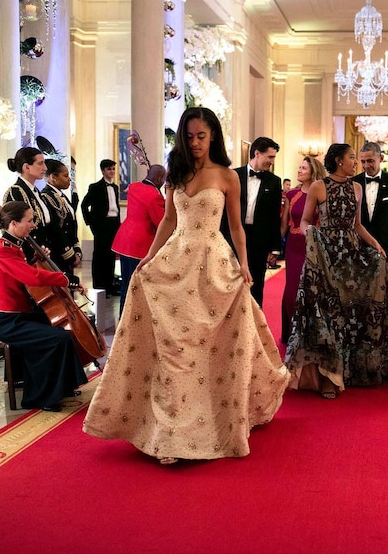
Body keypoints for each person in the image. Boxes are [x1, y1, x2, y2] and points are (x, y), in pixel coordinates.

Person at [83, 107, 288, 465]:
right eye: (189, 136)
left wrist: (243, 262)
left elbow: (236, 226)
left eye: (201, 137)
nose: (194, 143)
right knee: (175, 349)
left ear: (213, 137)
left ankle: (213, 418)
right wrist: (149, 257)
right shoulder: (176, 175)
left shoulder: (227, 176)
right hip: (176, 261)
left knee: (208, 344)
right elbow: (167, 221)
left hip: (213, 265)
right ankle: (172, 432)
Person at [285, 143, 388, 399]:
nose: (355, 163)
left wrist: (376, 245)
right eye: (351, 157)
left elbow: (357, 225)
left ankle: (350, 370)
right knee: (328, 312)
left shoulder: (356, 187)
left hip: (351, 255)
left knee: (350, 313)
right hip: (325, 256)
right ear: (338, 160)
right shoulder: (319, 186)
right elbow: (305, 220)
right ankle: (327, 376)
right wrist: (310, 234)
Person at [0, 201, 87, 412]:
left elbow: (22, 275)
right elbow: (31, 276)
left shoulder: (14, 246)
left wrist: (35, 258)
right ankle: (42, 397)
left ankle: (62, 387)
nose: (33, 225)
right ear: (14, 223)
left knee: (61, 333)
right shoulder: (2, 251)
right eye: (29, 220)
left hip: (21, 316)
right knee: (55, 339)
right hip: (6, 321)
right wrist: (67, 279)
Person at [220, 137, 283, 307]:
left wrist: (275, 247)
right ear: (257, 153)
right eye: (270, 157)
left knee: (255, 287)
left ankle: (254, 328)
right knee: (229, 284)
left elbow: (274, 216)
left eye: (274, 157)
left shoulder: (274, 181)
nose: (272, 161)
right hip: (231, 237)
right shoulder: (233, 175)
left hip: (258, 241)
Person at [279, 155, 326, 343]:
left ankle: (309, 334)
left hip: (314, 247)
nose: (299, 170)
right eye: (299, 167)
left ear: (313, 171)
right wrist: (275, 248)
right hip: (293, 245)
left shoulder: (322, 193)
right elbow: (284, 223)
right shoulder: (292, 194)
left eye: (303, 168)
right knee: (291, 290)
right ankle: (292, 332)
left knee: (310, 289)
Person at [111, 163, 166, 314]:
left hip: (125, 239)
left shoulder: (134, 187)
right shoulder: (155, 195)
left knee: (126, 283)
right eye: (164, 180)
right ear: (160, 178)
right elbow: (161, 222)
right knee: (138, 284)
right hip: (140, 244)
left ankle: (123, 315)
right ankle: (134, 318)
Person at [352, 141, 388, 266]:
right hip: (358, 246)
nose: (366, 165)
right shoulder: (353, 183)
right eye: (363, 161)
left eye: (370, 161)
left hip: (386, 247)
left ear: (380, 158)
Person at [81, 159, 121, 296]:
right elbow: (84, 205)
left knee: (111, 256)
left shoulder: (115, 187)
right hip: (101, 226)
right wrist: (91, 223)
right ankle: (99, 286)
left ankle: (110, 285)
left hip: (113, 225)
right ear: (103, 171)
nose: (112, 172)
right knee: (100, 256)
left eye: (113, 169)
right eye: (109, 169)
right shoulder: (95, 187)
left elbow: (114, 207)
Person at [3, 147, 51, 262]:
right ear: (27, 167)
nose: (45, 168)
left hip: (43, 252)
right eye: (40, 164)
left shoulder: (36, 191)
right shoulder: (16, 192)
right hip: (30, 255)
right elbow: (15, 229)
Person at [40, 159, 82, 277]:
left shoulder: (62, 196)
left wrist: (77, 251)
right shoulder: (46, 197)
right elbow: (54, 229)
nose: (69, 179)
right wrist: (69, 255)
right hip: (57, 254)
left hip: (68, 253)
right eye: (65, 176)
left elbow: (72, 225)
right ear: (53, 177)